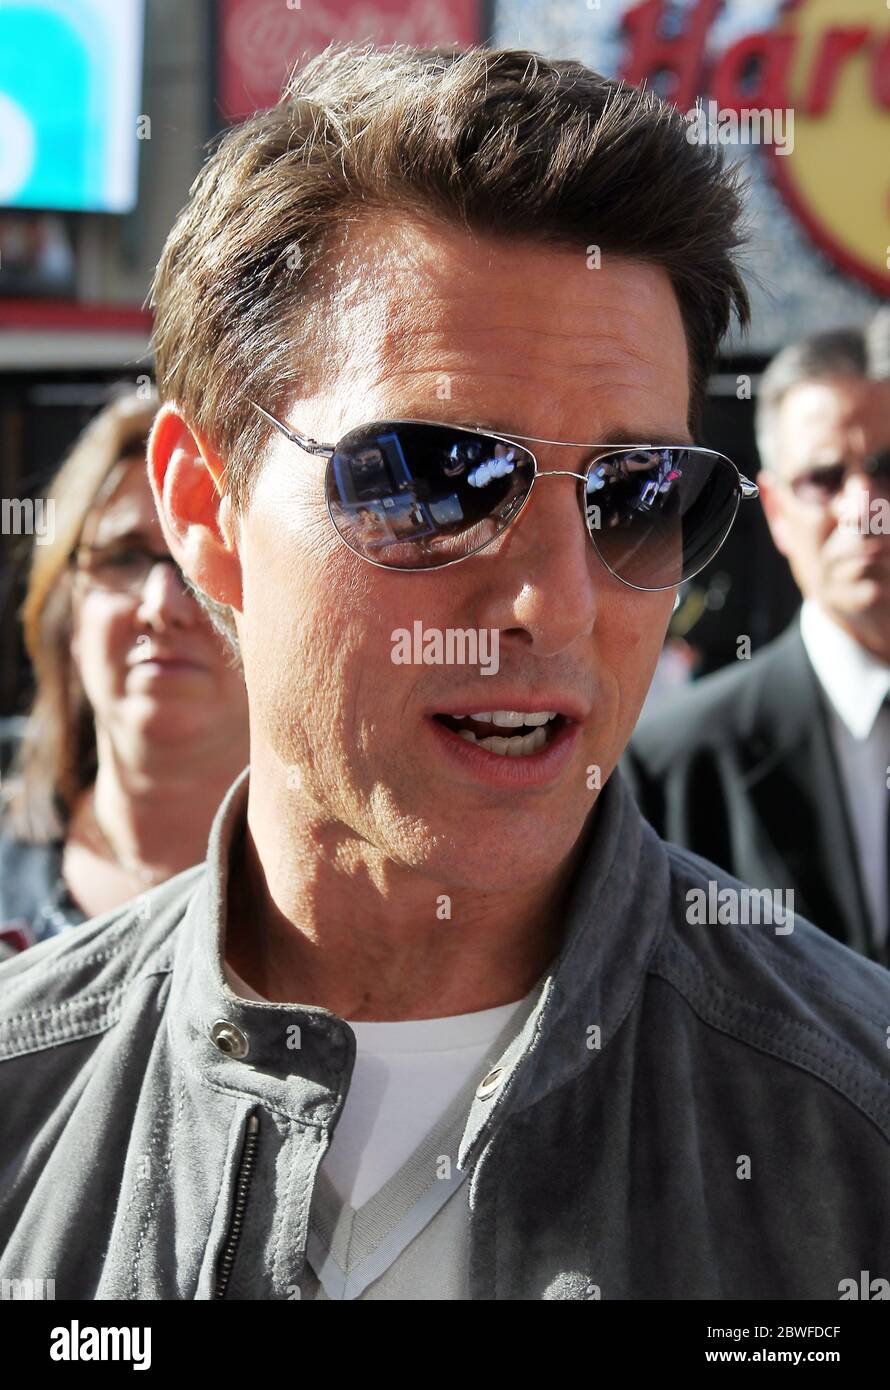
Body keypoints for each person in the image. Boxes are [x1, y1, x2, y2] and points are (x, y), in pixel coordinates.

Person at [0, 43, 888, 1302]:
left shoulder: (852, 1131)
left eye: (637, 499)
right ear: (206, 513)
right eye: (432, 481)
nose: (555, 601)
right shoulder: (28, 1103)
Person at [627, 321, 890, 968]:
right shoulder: (673, 769)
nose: (864, 508)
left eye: (888, 468)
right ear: (773, 508)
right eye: (824, 479)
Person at [0, 391, 249, 955]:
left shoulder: (347, 906)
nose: (163, 605)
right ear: (67, 608)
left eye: (200, 560)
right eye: (123, 556)